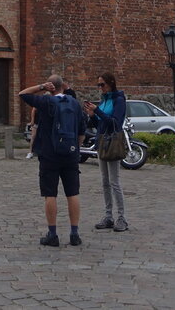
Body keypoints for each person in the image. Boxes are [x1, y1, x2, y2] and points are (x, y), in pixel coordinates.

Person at [19, 74, 86, 246]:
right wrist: (76, 150)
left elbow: (23, 94)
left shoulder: (46, 102)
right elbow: (81, 132)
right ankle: (74, 233)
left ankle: (52, 234)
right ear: (63, 85)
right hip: (70, 153)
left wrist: (41, 86)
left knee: (50, 194)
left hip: (49, 154)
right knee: (73, 193)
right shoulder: (75, 104)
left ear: (51, 87)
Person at [82, 72, 129, 232]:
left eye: (102, 84)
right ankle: (108, 216)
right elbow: (100, 124)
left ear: (110, 83)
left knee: (114, 181)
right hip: (102, 141)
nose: (100, 87)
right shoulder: (104, 101)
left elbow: (115, 122)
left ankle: (122, 217)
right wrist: (92, 115)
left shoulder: (119, 100)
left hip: (113, 142)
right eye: (98, 85)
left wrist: (98, 111)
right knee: (105, 181)